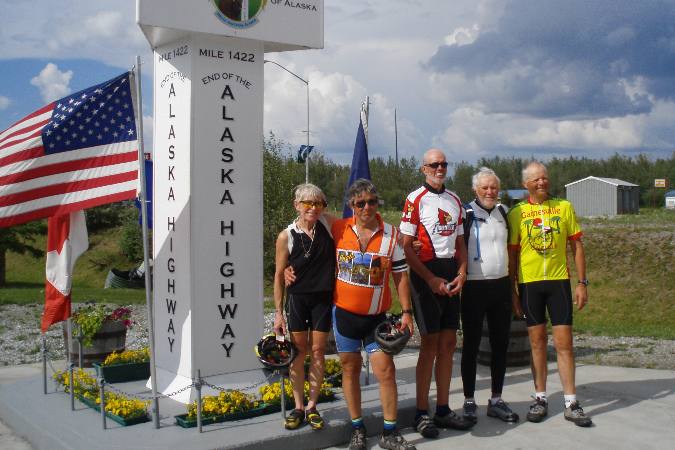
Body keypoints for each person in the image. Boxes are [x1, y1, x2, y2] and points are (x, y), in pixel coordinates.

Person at [332, 179, 416, 450]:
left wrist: (407, 312)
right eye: (360, 203)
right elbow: (308, 219)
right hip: (344, 316)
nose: (366, 207)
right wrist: (287, 269)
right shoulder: (338, 229)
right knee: (350, 370)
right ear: (351, 206)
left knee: (386, 371)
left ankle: (389, 433)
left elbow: (401, 277)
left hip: (375, 319)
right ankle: (357, 427)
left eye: (371, 201)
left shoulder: (392, 235)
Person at [508, 160, 592, 427]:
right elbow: (513, 253)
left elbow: (576, 246)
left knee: (565, 343)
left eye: (544, 178)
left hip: (558, 282)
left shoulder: (563, 207)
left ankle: (571, 401)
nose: (542, 182)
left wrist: (582, 283)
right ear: (525, 184)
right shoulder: (517, 212)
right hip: (530, 284)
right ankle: (540, 398)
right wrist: (513, 291)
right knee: (537, 343)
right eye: (536, 179)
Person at [400, 149, 473, 439]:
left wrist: (463, 272)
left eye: (443, 164)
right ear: (424, 168)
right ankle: (421, 411)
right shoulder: (414, 199)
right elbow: (406, 246)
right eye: (434, 164)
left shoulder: (455, 200)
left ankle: (442, 409)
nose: (440, 168)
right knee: (429, 345)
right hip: (424, 274)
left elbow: (460, 241)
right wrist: (429, 279)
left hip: (450, 272)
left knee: (448, 343)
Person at [273, 183, 335, 431]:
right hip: (298, 299)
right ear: (296, 205)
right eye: (307, 203)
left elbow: (359, 222)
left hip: (322, 299)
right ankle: (298, 406)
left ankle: (312, 405)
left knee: (318, 351)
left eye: (318, 203)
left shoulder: (328, 225)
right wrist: (279, 314)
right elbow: (279, 275)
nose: (312, 208)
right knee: (298, 353)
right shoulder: (286, 236)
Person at [460, 167, 519, 424]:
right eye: (484, 187)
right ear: (475, 189)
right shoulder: (466, 213)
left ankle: (496, 399)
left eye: (493, 187)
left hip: (501, 286)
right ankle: (469, 400)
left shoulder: (504, 212)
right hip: (474, 286)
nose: (489, 192)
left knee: (500, 345)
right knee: (471, 346)